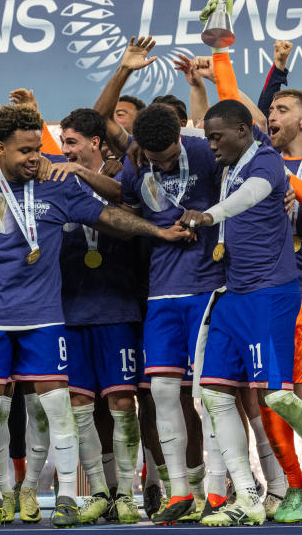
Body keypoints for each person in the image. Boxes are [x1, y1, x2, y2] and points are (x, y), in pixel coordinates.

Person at [0, 103, 190, 528]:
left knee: (59, 409)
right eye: (24, 151)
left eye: (37, 148)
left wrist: (158, 230)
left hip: (44, 316)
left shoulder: (55, 184)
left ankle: (65, 497)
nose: (34, 158)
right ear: (0, 149)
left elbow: (109, 216)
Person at [181, 98, 302, 525]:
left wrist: (282, 182)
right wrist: (215, 63)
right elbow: (226, 105)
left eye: (282, 109)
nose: (273, 115)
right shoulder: (246, 159)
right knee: (256, 397)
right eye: (272, 109)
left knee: (301, 395)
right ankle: (283, 488)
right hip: (241, 291)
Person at [119, 103, 225, 523]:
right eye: (152, 157)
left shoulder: (204, 152)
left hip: (208, 284)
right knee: (162, 392)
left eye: (167, 156)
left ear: (180, 136)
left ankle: (216, 489)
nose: (160, 164)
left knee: (212, 393)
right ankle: (178, 491)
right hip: (161, 292)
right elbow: (128, 208)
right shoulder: (135, 163)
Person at [56, 108, 141, 525]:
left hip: (117, 307)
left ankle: (128, 492)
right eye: (62, 143)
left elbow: (126, 204)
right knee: (78, 406)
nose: (65, 151)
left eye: (72, 143)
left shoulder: (121, 178)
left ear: (95, 143)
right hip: (70, 311)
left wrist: (79, 172)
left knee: (123, 402)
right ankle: (100, 492)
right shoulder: (54, 184)